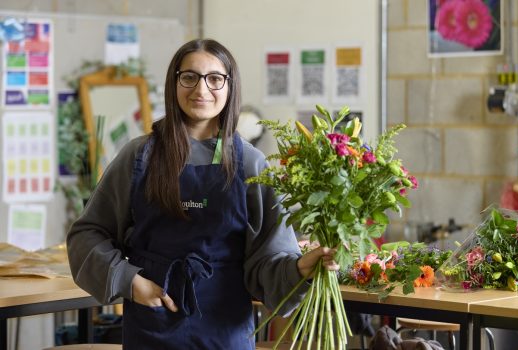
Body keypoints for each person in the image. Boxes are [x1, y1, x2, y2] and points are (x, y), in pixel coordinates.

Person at [66, 38, 338, 350]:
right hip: (151, 327)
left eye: (214, 79)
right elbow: (87, 234)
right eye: (190, 77)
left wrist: (303, 267)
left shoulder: (250, 164)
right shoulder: (139, 156)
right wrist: (131, 282)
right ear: (175, 82)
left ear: (229, 86)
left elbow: (269, 260)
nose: (201, 89)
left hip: (224, 331)